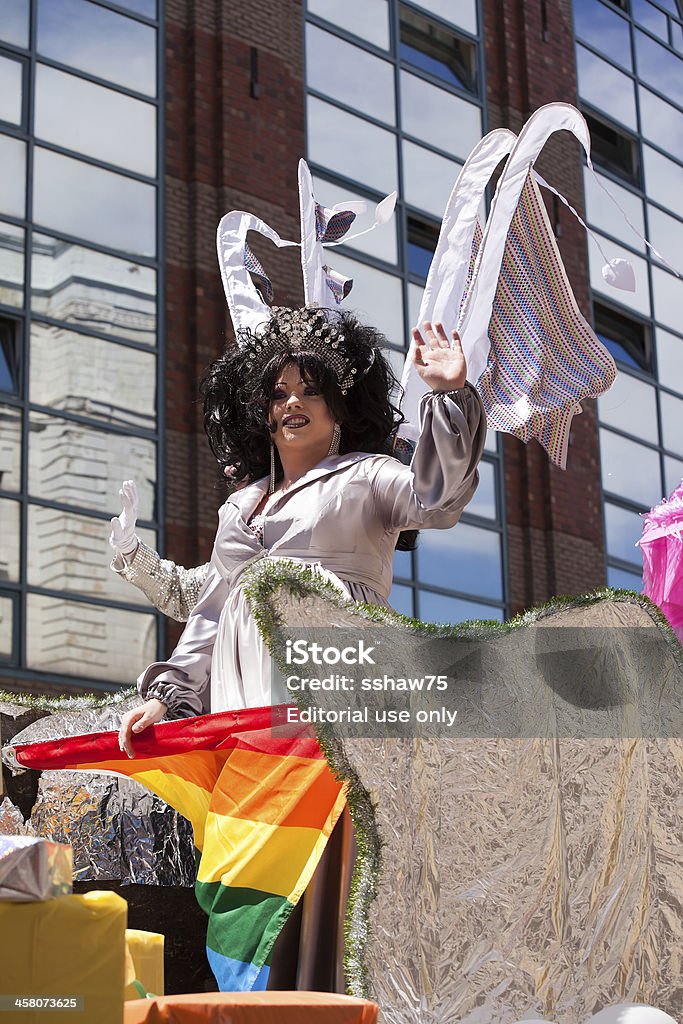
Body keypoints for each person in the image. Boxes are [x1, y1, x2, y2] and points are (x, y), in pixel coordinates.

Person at [118, 306, 486, 756]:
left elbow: (437, 499)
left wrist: (449, 396)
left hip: (339, 674)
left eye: (311, 391)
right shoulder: (239, 507)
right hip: (245, 687)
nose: (292, 402)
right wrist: (166, 698)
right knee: (259, 815)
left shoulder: (366, 476)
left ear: (338, 410)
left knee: (335, 808)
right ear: (264, 414)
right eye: (279, 393)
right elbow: (211, 613)